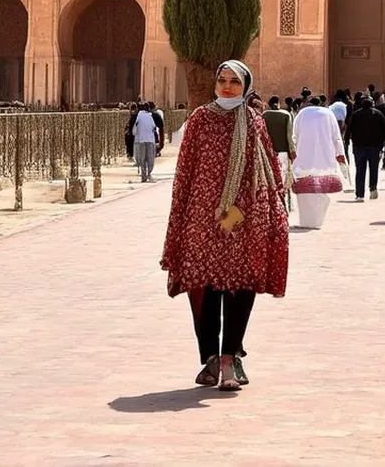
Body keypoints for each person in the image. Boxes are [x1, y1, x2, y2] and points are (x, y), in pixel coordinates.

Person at [161, 60, 289, 391]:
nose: (227, 87)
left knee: (240, 286)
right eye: (222, 80)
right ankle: (210, 358)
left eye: (234, 81)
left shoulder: (254, 121)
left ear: (245, 86)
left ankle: (231, 356)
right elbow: (185, 171)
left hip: (243, 219)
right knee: (203, 287)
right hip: (202, 219)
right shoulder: (200, 120)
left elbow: (267, 168)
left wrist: (268, 209)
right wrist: (181, 215)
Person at [292, 97, 346, 228]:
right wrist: (340, 154)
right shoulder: (328, 114)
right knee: (321, 189)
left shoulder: (302, 114)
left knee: (304, 191)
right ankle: (318, 220)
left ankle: (306, 221)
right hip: (324, 159)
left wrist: (292, 153)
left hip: (304, 158)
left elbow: (294, 135)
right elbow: (336, 137)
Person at [346, 97, 385, 202]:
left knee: (360, 170)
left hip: (359, 147)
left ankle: (360, 194)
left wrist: (346, 141)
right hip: (375, 147)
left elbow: (349, 129)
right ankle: (373, 188)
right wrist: (384, 144)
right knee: (374, 169)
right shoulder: (378, 114)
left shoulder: (356, 115)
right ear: (372, 104)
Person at [133, 103, 160, 182]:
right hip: (149, 140)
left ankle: (144, 175)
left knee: (143, 159)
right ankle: (148, 174)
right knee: (150, 158)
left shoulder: (138, 116)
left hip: (141, 140)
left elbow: (134, 130)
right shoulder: (151, 116)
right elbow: (154, 128)